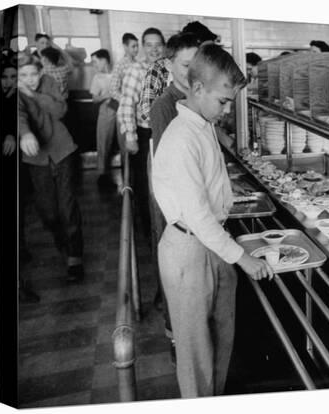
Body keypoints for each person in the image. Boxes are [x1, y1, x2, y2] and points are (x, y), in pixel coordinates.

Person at [152, 43, 274, 398]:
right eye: (223, 101)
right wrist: (244, 258)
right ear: (199, 89)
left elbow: (209, 187)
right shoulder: (180, 138)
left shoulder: (202, 124)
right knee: (195, 354)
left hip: (211, 242)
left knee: (222, 337)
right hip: (187, 246)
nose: (225, 110)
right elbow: (197, 215)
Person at [147, 32, 201, 362]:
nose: (192, 70)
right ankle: (176, 338)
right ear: (169, 64)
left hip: (189, 202)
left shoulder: (193, 98)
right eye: (185, 64)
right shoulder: (164, 106)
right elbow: (173, 166)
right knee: (176, 274)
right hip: (174, 207)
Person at [17, 54, 84, 283]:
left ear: (40, 72)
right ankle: (62, 241)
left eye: (33, 74)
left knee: (67, 206)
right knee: (48, 212)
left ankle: (75, 256)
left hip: (62, 149)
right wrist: (25, 134)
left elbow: (59, 110)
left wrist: (32, 95)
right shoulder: (14, 92)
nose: (29, 79)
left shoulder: (49, 83)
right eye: (23, 75)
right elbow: (19, 116)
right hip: (36, 158)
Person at [117, 27, 165, 239]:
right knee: (146, 188)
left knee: (165, 185)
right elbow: (126, 104)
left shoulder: (166, 69)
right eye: (149, 45)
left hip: (166, 135)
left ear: (163, 46)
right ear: (143, 47)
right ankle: (150, 234)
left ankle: (164, 229)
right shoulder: (136, 70)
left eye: (158, 45)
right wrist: (130, 136)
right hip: (145, 136)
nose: (154, 49)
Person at [1, 62, 40, 303]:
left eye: (13, 76)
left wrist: (12, 133)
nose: (8, 81)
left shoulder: (19, 98)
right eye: (5, 76)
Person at [108, 33, 140, 158]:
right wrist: (128, 101)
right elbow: (113, 89)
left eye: (137, 46)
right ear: (125, 47)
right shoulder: (120, 64)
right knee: (126, 148)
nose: (136, 49)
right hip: (124, 110)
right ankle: (126, 177)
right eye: (133, 46)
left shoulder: (139, 64)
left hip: (137, 112)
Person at [90, 48, 117, 190]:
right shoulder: (97, 78)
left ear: (104, 60)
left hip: (121, 111)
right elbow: (94, 99)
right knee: (103, 143)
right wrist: (106, 96)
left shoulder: (118, 73)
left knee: (124, 145)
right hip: (106, 111)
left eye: (95, 62)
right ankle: (103, 176)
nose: (94, 65)